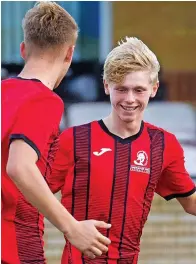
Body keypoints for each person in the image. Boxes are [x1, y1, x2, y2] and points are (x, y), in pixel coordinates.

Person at [48, 37, 196, 263]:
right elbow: (32, 194)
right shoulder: (74, 139)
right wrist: (70, 227)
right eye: (121, 89)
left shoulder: (163, 144)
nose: (130, 99)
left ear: (154, 89)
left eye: (139, 90)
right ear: (107, 86)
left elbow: (191, 202)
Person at [2, 2, 111, 264]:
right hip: (14, 245)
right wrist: (71, 227)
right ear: (70, 54)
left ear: (23, 49)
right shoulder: (45, 101)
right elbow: (19, 167)